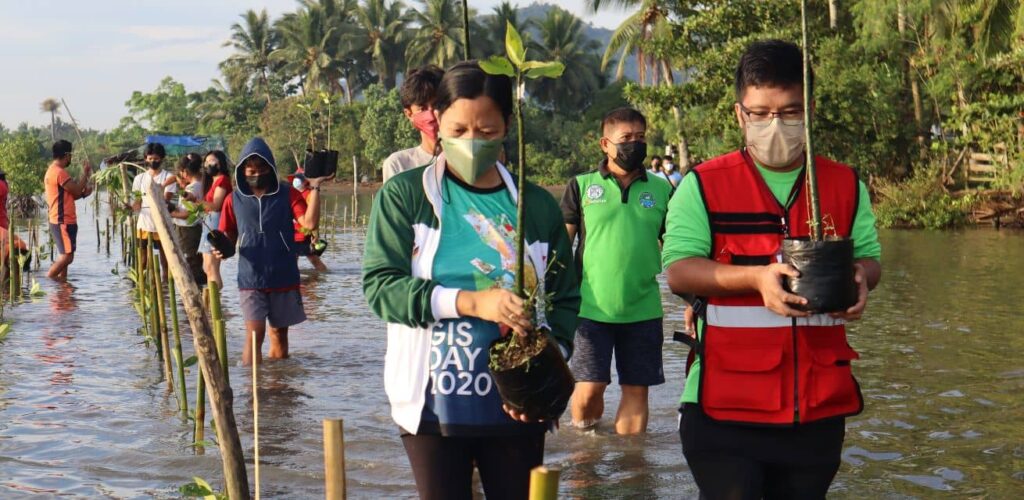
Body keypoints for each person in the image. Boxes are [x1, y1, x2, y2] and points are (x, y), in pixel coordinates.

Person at [662, 40, 882, 499]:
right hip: (724, 407)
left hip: (818, 407)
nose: (774, 124)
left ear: (810, 111)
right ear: (740, 114)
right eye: (760, 113)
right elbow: (680, 271)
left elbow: (869, 258)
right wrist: (756, 278)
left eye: (788, 111)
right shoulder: (702, 184)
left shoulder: (844, 184)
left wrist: (861, 276)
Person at [362, 60, 579, 500]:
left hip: (515, 407)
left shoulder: (533, 205)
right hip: (431, 406)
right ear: (437, 121)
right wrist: (468, 302)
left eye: (486, 130)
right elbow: (381, 287)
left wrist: (548, 371)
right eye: (459, 130)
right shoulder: (406, 196)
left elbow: (566, 298)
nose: (471, 142)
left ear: (505, 129)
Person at [560, 107, 673, 435]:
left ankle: (631, 471)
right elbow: (560, 249)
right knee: (589, 389)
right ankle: (586, 455)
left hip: (644, 308)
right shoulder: (581, 186)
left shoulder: (662, 190)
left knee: (637, 390)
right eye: (626, 138)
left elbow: (677, 247)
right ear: (605, 144)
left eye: (640, 138)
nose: (634, 145)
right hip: (590, 308)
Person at [213, 137, 329, 365]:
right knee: (254, 333)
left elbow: (309, 222)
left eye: (261, 168)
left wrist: (315, 186)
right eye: (250, 169)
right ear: (242, 170)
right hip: (251, 277)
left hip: (283, 274)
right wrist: (222, 250)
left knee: (279, 335)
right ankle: (252, 390)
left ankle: (277, 388)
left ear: (270, 168)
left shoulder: (287, 194)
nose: (255, 173)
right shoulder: (233, 199)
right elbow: (228, 236)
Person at [381, 64, 445, 182]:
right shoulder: (399, 165)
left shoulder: (466, 162)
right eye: (422, 108)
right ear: (409, 114)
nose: (431, 115)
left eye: (437, 105)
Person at [45, 140, 92, 280]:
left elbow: (70, 196)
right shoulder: (59, 173)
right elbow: (77, 191)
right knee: (67, 257)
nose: (71, 158)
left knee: (65, 256)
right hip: (62, 220)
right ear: (66, 155)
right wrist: (85, 174)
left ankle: (62, 285)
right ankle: (50, 278)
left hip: (64, 219)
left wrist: (83, 193)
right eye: (70, 154)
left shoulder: (53, 171)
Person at [131, 142, 177, 281]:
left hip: (161, 225)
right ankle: (140, 284)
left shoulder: (167, 177)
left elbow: (166, 201)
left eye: (156, 159)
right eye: (150, 159)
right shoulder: (139, 178)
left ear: (162, 158)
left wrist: (157, 194)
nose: (153, 162)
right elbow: (137, 202)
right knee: (143, 260)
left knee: (165, 260)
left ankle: (165, 285)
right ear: (145, 159)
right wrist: (131, 207)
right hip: (144, 225)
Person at [197, 150, 232, 290]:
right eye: (206, 162)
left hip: (215, 222)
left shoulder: (222, 179)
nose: (208, 164)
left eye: (211, 161)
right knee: (207, 267)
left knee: (212, 268)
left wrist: (196, 202)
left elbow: (216, 205)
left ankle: (216, 303)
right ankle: (214, 303)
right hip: (208, 221)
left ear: (220, 162)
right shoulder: (213, 181)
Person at [170, 154, 207, 285]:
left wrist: (171, 213)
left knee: (191, 263)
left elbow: (186, 214)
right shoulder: (201, 182)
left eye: (180, 173)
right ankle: (204, 294)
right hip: (195, 228)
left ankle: (196, 292)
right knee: (196, 261)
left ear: (185, 172)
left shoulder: (192, 188)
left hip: (187, 230)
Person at [290, 173, 328, 272]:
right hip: (294, 233)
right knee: (294, 258)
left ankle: (323, 275)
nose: (296, 181)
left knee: (313, 258)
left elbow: (313, 216)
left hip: (304, 232)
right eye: (295, 178)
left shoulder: (310, 194)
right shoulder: (293, 194)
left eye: (299, 179)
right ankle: (295, 278)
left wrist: (315, 235)